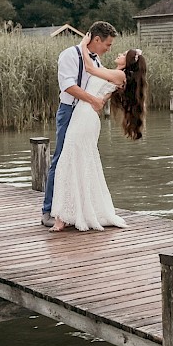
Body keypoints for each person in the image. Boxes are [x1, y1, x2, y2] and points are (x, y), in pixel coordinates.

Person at [50, 35, 148, 232]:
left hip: (85, 117)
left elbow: (89, 69)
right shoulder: (115, 74)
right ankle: (70, 213)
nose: (118, 54)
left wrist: (83, 44)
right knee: (74, 160)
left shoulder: (119, 76)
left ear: (128, 61)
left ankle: (64, 216)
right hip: (83, 115)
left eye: (123, 54)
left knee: (70, 160)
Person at [41, 21, 118, 227]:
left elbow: (100, 85)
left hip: (86, 116)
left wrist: (100, 99)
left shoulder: (96, 61)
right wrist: (93, 100)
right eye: (107, 44)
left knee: (81, 160)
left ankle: (75, 210)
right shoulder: (69, 55)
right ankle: (49, 210)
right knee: (61, 158)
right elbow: (68, 85)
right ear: (97, 39)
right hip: (69, 111)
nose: (109, 49)